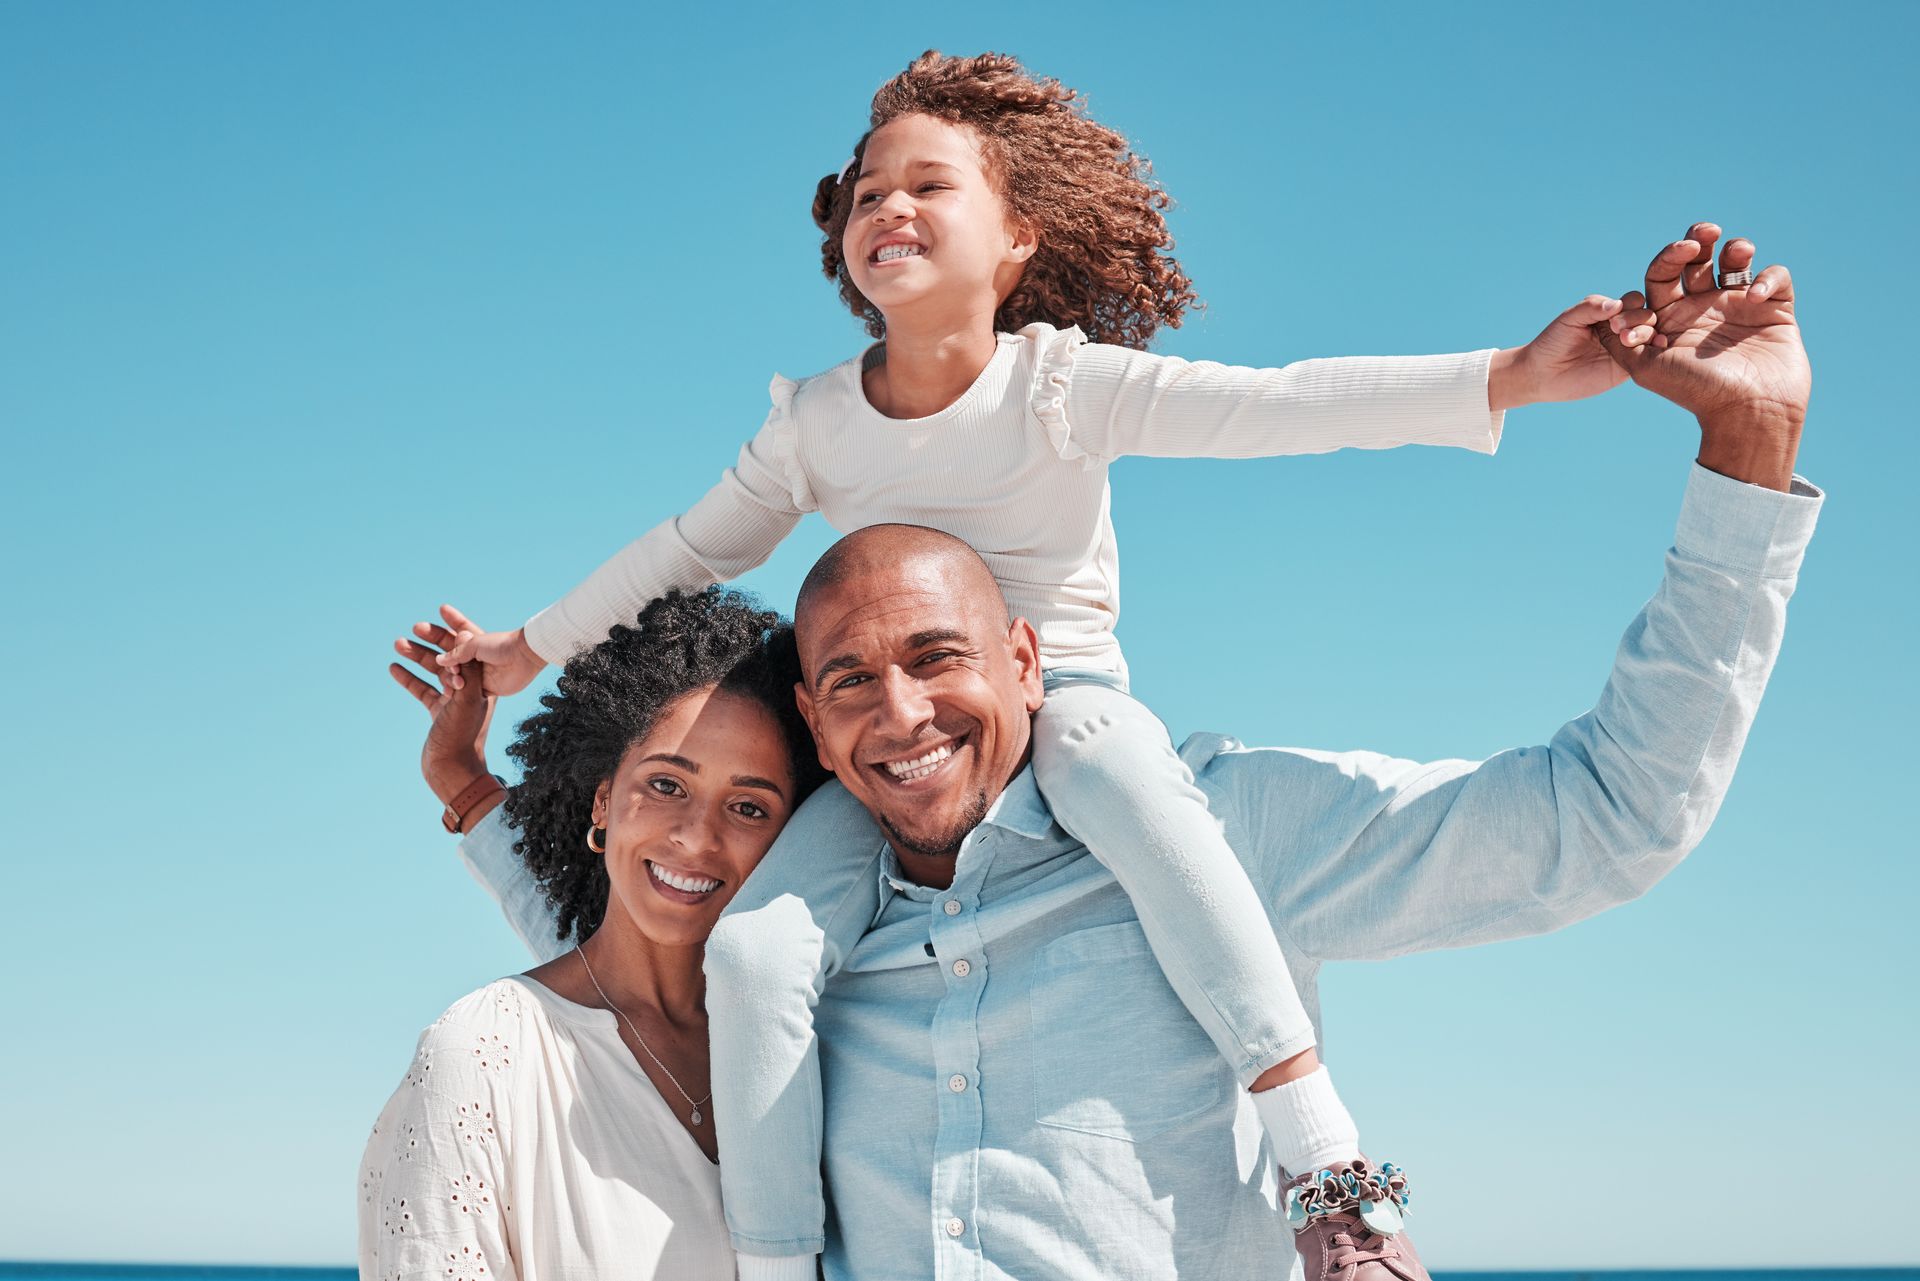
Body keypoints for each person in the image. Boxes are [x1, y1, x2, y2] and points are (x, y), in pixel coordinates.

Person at [422, 49, 1642, 1280]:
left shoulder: (1061, 386)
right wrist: (523, 649)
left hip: (1070, 709)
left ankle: (1322, 1158)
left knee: (1129, 787)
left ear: (1014, 240)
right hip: (902, 749)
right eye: (866, 193)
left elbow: (1279, 405)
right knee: (750, 952)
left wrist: (1511, 380)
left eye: (929, 186)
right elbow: (684, 551)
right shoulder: (815, 426)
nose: (888, 208)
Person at [358, 589, 826, 1281]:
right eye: (667, 784)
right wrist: (459, 778)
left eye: (749, 805)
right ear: (603, 799)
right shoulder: (485, 1057)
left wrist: (461, 781)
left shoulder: (816, 1043)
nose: (697, 837)